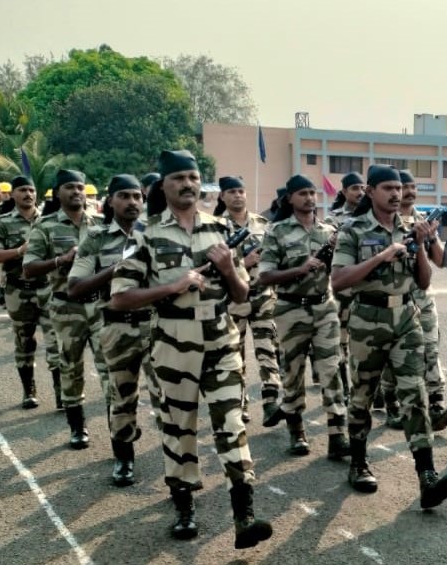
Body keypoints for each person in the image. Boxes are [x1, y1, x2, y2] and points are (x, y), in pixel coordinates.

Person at [111, 150, 272, 548]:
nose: (188, 184)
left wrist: (231, 269)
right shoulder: (146, 236)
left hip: (220, 341)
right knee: (178, 429)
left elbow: (243, 295)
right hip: (173, 346)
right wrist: (172, 287)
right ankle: (184, 507)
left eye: (194, 177)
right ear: (162, 186)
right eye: (179, 178)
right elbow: (120, 297)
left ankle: (244, 515)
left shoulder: (220, 231)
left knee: (233, 425)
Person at [330, 164, 447, 508]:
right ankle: (358, 463)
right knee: (362, 395)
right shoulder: (353, 230)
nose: (395, 193)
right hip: (367, 320)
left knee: (414, 394)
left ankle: (427, 477)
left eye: (398, 188)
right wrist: (383, 256)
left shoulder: (409, 227)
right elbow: (339, 280)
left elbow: (424, 282)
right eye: (387, 187)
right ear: (370, 191)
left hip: (406, 318)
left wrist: (419, 245)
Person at [68, 174, 160, 487]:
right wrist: (119, 267)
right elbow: (75, 287)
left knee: (170, 395)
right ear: (110, 201)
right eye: (124, 196)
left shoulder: (157, 234)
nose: (132, 202)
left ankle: (178, 459)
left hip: (157, 326)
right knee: (121, 397)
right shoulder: (95, 238)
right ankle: (123, 457)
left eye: (137, 196)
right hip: (116, 328)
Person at [258, 175, 350, 459]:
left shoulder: (328, 231)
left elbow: (342, 268)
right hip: (290, 309)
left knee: (331, 369)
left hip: (324, 308)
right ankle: (297, 431)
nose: (310, 198)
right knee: (293, 370)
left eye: (312, 193)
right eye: (302, 193)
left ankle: (337, 434)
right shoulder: (277, 231)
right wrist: (299, 269)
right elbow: (265, 275)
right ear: (290, 198)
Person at [23, 169, 108, 450]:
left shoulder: (101, 224)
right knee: (70, 368)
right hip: (65, 305)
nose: (76, 192)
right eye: (70, 187)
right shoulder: (45, 226)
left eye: (80, 187)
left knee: (109, 367)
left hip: (99, 304)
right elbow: (29, 267)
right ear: (57, 192)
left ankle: (116, 428)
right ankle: (77, 426)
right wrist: (60, 260)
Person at [378, 169, 447, 431]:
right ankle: (392, 405)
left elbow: (440, 259)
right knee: (392, 357)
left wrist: (429, 237)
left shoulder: (424, 219)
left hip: (422, 299)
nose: (409, 192)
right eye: (404, 187)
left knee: (431, 350)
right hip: (394, 299)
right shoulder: (384, 221)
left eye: (413, 187)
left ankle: (436, 403)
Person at [215, 175, 284, 426]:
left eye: (241, 191)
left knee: (268, 349)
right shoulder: (215, 227)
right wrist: (242, 264)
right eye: (231, 191)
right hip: (234, 300)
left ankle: (270, 400)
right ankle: (240, 404)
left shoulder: (263, 224)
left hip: (263, 296)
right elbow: (211, 267)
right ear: (222, 196)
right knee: (236, 354)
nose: (237, 196)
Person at [0, 176, 50, 409]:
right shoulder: (3, 222)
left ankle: (63, 393)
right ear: (12, 194)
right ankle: (29, 390)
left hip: (47, 288)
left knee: (56, 342)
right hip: (18, 290)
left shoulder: (48, 221)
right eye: (23, 190)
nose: (28, 194)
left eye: (32, 190)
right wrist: (19, 251)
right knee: (25, 342)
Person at [327, 172, 364, 391]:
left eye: (362, 188)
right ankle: (345, 389)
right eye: (354, 188)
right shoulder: (333, 219)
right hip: (342, 291)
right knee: (340, 342)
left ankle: (374, 390)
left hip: (366, 288)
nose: (359, 192)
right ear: (344, 192)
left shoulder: (374, 215)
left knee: (367, 342)